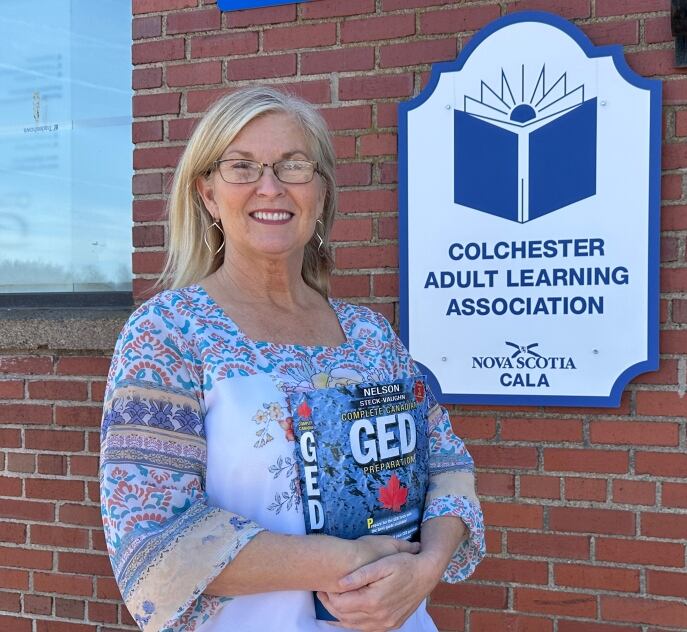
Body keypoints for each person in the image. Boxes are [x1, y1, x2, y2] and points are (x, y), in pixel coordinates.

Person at [99, 86, 484, 632]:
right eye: (242, 166)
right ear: (208, 194)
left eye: (294, 165)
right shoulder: (170, 333)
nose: (270, 186)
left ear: (321, 192)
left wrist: (426, 568)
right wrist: (348, 562)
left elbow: (447, 466)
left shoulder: (369, 334)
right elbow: (152, 537)